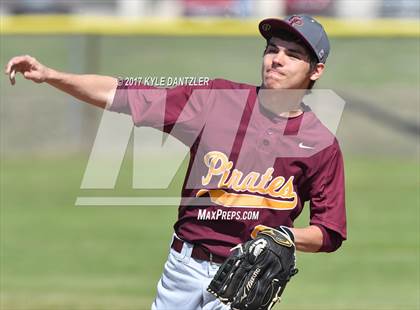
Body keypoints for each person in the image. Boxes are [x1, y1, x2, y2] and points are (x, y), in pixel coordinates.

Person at [5, 14, 346, 310]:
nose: (277, 59)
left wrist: (283, 237)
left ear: (316, 70)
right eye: (272, 49)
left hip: (247, 275)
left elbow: (329, 232)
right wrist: (51, 75)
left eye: (292, 54)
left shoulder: (320, 144)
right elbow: (123, 94)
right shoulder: (216, 100)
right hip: (183, 267)